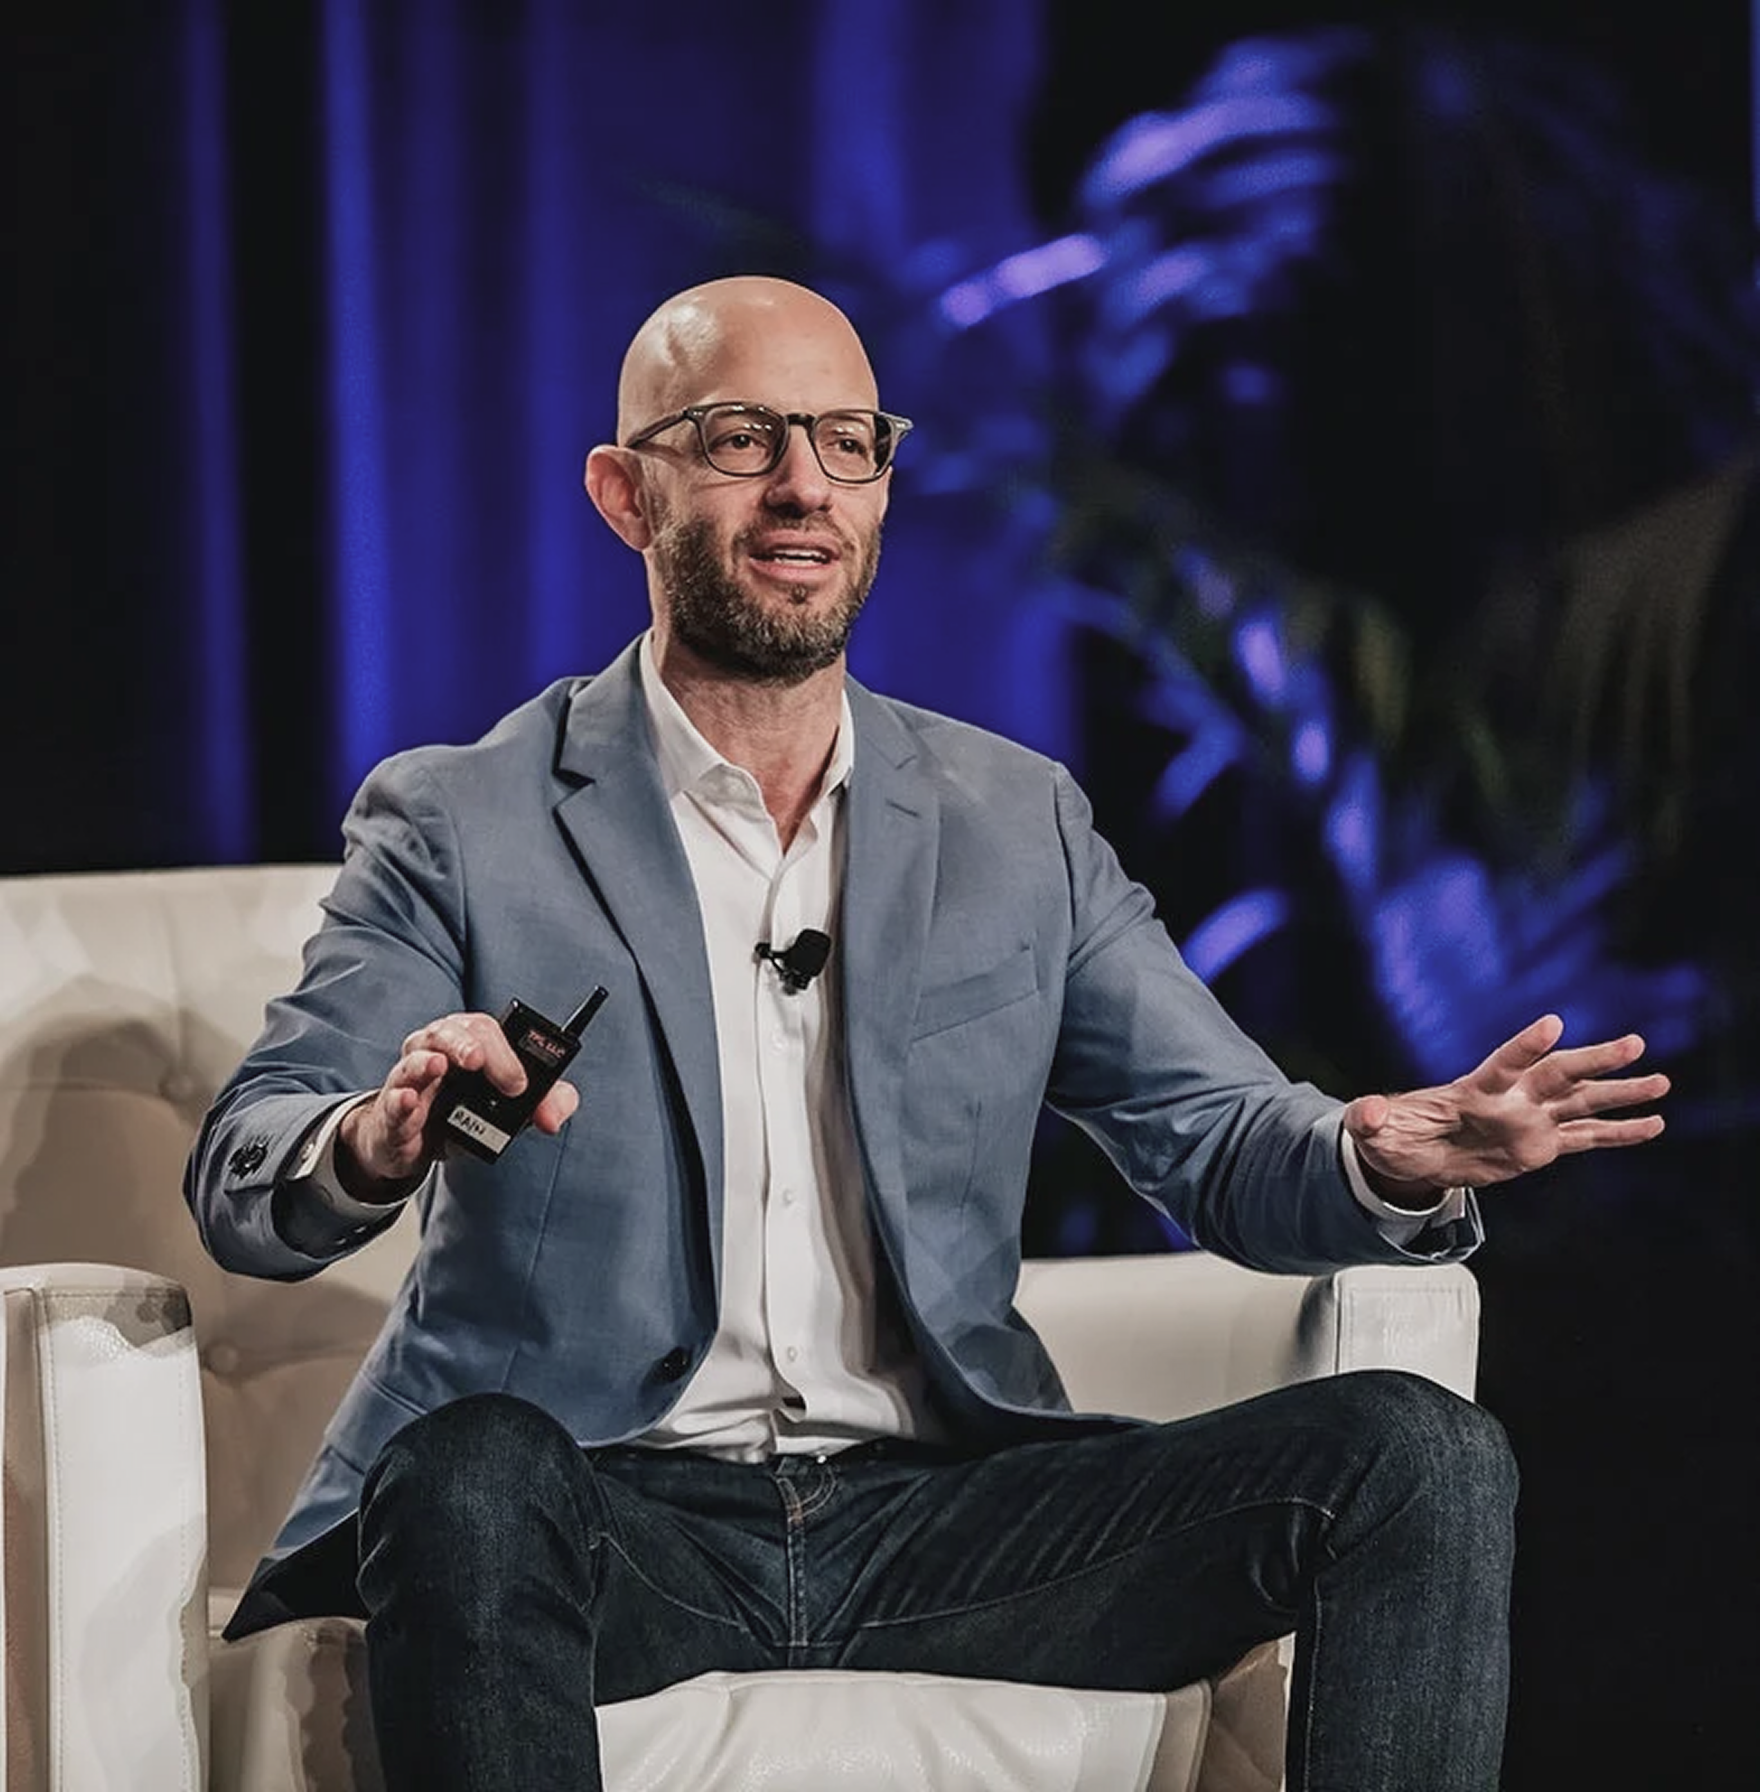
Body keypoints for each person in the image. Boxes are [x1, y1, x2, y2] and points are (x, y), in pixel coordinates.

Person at [186, 275, 1669, 1792]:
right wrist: (376, 1135)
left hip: (942, 1519)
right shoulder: (462, 817)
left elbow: (1221, 1138)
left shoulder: (1012, 820)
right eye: (741, 436)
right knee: (468, 1474)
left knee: (1419, 1457)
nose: (803, 485)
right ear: (627, 495)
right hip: (606, 1517)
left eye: (846, 438)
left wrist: (1376, 1150)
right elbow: (249, 1171)